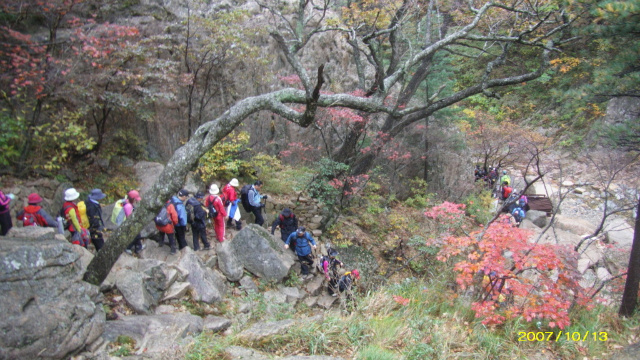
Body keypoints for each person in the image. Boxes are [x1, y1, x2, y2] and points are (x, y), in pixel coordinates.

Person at [124, 190, 146, 255]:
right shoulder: (128, 206)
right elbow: (130, 217)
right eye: (136, 199)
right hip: (130, 223)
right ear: (133, 199)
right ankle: (128, 247)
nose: (136, 201)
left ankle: (139, 247)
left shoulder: (128, 203)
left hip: (132, 223)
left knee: (137, 234)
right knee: (135, 235)